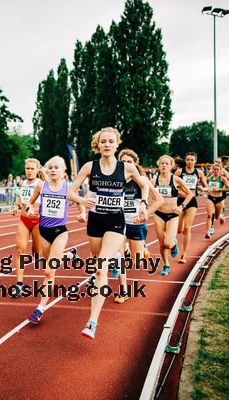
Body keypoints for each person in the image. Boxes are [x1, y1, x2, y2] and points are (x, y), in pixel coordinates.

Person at [68, 127, 149, 339]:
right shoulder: (89, 166)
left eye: (110, 141)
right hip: (95, 222)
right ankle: (114, 257)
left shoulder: (127, 168)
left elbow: (145, 186)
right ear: (98, 144)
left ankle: (92, 321)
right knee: (97, 268)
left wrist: (142, 203)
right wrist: (81, 201)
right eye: (103, 141)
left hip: (115, 221)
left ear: (116, 144)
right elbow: (70, 191)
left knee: (101, 271)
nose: (106, 145)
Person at [25, 156, 85, 324]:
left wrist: (82, 212)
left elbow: (79, 201)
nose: (52, 170)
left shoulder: (67, 187)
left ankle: (40, 309)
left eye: (56, 167)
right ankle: (71, 255)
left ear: (63, 171)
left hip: (60, 232)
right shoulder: (41, 185)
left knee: (48, 271)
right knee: (51, 266)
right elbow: (29, 203)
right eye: (50, 167)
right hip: (43, 231)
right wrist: (29, 209)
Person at [115, 149, 163, 303]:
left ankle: (142, 247)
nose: (126, 165)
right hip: (118, 223)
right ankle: (124, 290)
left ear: (135, 163)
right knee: (119, 257)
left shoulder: (142, 181)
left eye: (129, 162)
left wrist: (146, 213)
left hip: (136, 223)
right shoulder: (115, 179)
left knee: (137, 262)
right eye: (123, 162)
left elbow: (159, 200)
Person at [152, 155, 192, 276]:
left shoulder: (176, 180)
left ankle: (173, 244)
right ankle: (166, 265)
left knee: (168, 243)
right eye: (161, 164)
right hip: (159, 214)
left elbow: (190, 194)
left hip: (173, 214)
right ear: (159, 166)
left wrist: (182, 206)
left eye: (166, 164)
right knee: (161, 243)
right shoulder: (153, 181)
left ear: (171, 166)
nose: (164, 165)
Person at [10, 158, 44, 297]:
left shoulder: (41, 184)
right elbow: (20, 200)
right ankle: (19, 285)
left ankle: (70, 255)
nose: (29, 171)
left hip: (37, 221)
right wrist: (16, 207)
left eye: (32, 169)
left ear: (37, 170)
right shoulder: (22, 183)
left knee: (38, 254)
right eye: (27, 169)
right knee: (20, 250)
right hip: (24, 220)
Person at [174, 152, 207, 264]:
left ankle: (184, 254)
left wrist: (203, 188)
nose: (189, 162)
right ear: (185, 160)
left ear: (195, 161)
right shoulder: (179, 172)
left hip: (192, 201)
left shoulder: (199, 172)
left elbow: (205, 186)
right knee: (179, 230)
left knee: (188, 228)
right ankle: (174, 244)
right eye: (188, 159)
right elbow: (172, 186)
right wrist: (180, 192)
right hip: (180, 201)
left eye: (192, 160)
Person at [199, 164, 229, 238]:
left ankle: (221, 215)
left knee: (216, 217)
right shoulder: (209, 179)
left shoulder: (222, 179)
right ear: (212, 170)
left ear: (220, 171)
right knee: (209, 215)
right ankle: (207, 232)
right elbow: (207, 188)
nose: (216, 171)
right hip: (210, 198)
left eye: (217, 169)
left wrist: (219, 189)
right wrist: (203, 189)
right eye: (215, 169)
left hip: (219, 199)